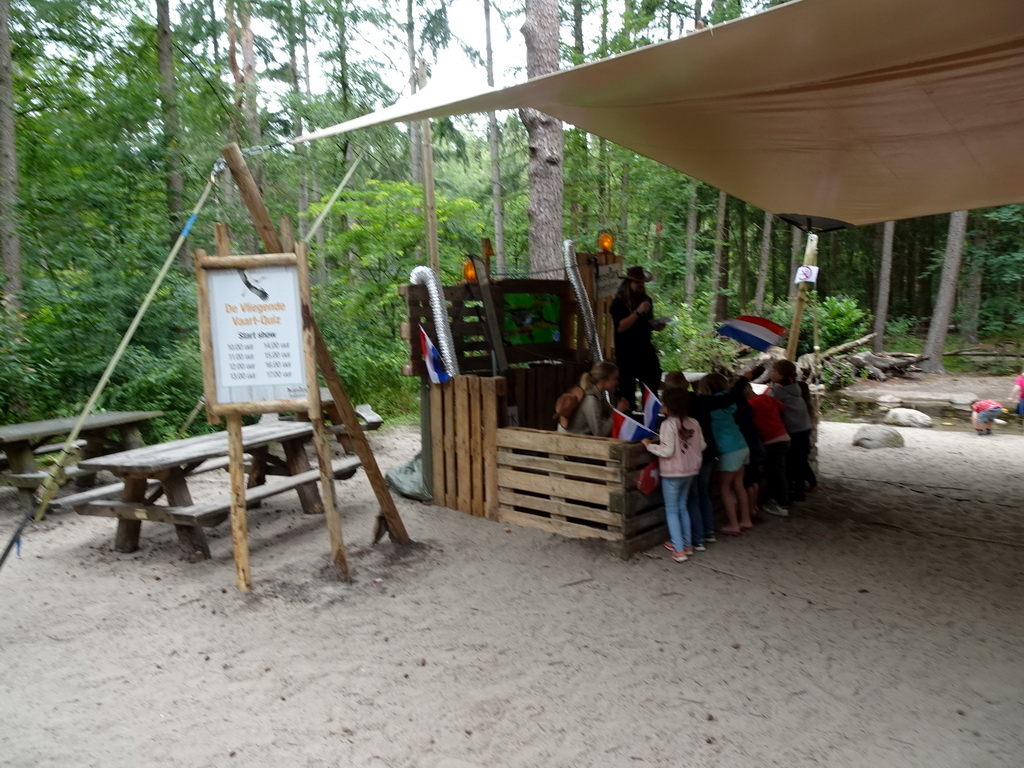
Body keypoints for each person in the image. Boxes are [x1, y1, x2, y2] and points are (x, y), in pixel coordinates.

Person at [642, 387, 704, 562]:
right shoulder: (694, 423)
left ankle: (678, 550)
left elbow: (667, 450)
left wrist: (649, 445)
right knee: (682, 507)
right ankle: (687, 544)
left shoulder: (667, 425)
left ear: (668, 405)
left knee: (671, 510)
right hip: (690, 471)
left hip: (673, 473)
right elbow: (703, 445)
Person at [697, 373, 753, 536]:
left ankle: (734, 524)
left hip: (728, 450)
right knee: (738, 485)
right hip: (741, 445)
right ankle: (745, 519)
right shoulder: (729, 402)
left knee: (724, 488)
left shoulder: (711, 407)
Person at [609, 266, 666, 412]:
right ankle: (629, 423)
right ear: (629, 283)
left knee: (651, 388)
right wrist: (637, 312)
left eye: (643, 283)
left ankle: (650, 421)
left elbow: (646, 323)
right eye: (638, 283)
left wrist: (657, 325)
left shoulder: (647, 300)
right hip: (626, 353)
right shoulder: (619, 303)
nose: (641, 286)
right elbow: (621, 327)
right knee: (627, 392)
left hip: (644, 351)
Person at [768, 359, 817, 501]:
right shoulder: (795, 386)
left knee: (791, 461)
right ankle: (801, 488)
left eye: (774, 371)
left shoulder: (778, 390)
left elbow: (769, 403)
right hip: (804, 427)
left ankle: (796, 491)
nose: (771, 373)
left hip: (792, 430)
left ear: (781, 375)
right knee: (800, 459)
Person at [746, 385, 792, 517]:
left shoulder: (750, 405)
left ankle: (782, 504)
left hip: (772, 442)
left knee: (777, 474)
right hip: (784, 437)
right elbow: (783, 407)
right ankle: (780, 500)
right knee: (780, 472)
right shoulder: (766, 398)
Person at [556, 361, 628, 436]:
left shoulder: (598, 395)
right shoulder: (591, 400)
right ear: (604, 381)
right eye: (615, 379)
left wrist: (618, 411)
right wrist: (618, 412)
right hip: (569, 441)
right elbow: (599, 433)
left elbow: (608, 412)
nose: (616, 382)